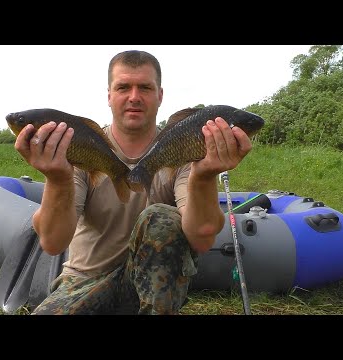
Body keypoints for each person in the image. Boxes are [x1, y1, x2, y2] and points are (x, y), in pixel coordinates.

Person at [14, 50, 252, 315]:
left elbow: (203, 239)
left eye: (145, 88)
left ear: (160, 95)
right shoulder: (80, 148)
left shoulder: (184, 149)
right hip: (84, 282)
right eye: (123, 87)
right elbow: (54, 243)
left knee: (160, 217)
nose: (134, 97)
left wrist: (205, 175)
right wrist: (57, 179)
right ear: (109, 95)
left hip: (150, 291)